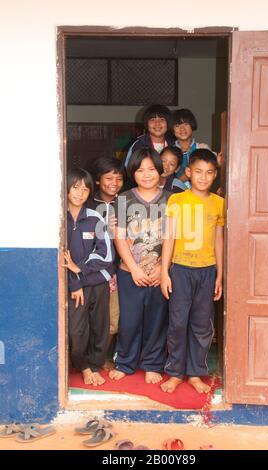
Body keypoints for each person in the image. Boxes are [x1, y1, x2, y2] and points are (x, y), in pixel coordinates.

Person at [160, 148, 224, 394]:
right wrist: (165, 272)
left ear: (215, 175)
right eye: (198, 172)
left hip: (207, 271)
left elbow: (219, 240)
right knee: (177, 323)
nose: (203, 177)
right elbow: (169, 238)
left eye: (209, 173)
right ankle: (175, 372)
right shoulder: (177, 200)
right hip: (181, 270)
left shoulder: (219, 203)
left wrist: (220, 274)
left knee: (201, 324)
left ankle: (196, 372)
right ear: (188, 172)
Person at [109, 147, 170, 384]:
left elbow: (173, 238)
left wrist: (161, 269)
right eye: (140, 170)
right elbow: (119, 236)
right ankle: (125, 362)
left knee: (157, 319)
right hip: (129, 272)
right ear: (132, 172)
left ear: (159, 171)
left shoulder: (170, 199)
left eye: (152, 169)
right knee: (129, 320)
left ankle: (153, 364)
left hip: (159, 272)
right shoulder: (123, 199)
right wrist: (133, 268)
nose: (146, 174)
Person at [63, 168, 115, 386]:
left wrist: (79, 268)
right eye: (75, 187)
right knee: (76, 330)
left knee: (100, 327)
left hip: (97, 283)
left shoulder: (95, 218)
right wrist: (75, 280)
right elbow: (61, 258)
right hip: (74, 286)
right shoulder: (57, 218)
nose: (80, 193)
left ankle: (94, 365)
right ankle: (83, 365)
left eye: (85, 189)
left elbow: (106, 255)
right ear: (66, 189)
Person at [87, 157, 125, 370]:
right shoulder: (88, 203)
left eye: (119, 178)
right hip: (91, 271)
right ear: (98, 180)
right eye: (109, 178)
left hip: (118, 271)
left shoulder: (127, 202)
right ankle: (85, 359)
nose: (114, 182)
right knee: (89, 318)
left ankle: (100, 359)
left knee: (113, 319)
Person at [172, 108, 222, 187]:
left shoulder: (202, 148)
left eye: (186, 124)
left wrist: (219, 163)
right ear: (172, 129)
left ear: (192, 126)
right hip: (176, 195)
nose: (182, 128)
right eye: (177, 125)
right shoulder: (170, 151)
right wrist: (184, 178)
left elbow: (213, 166)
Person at [124, 104, 174, 170]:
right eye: (152, 120)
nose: (157, 124)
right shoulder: (138, 145)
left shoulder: (174, 145)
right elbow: (128, 171)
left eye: (162, 119)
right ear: (146, 124)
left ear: (168, 123)